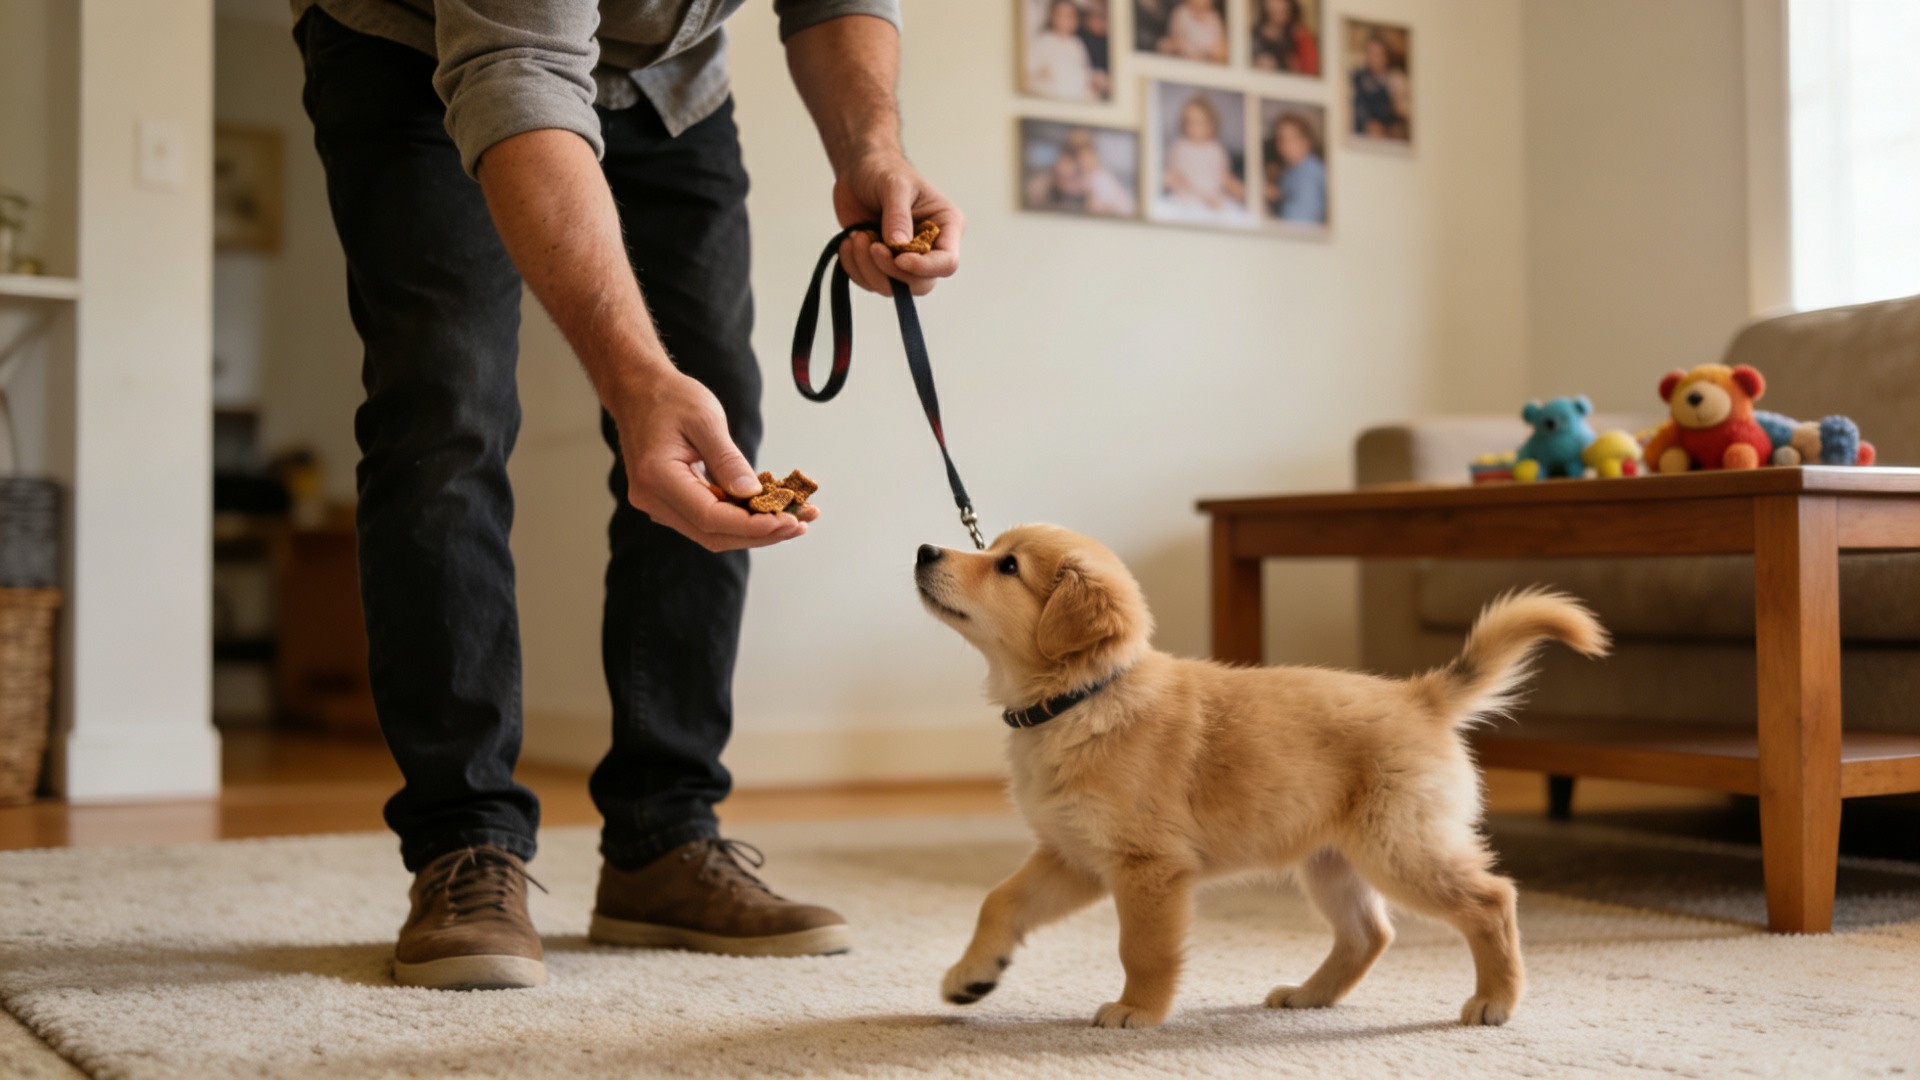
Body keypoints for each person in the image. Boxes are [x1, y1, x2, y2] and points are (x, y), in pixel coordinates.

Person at [290, 0, 963, 991]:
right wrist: (635, 379)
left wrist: (873, 147)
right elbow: (517, 68)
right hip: (414, 47)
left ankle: (663, 836)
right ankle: (464, 842)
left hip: (672, 84)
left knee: (716, 417)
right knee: (446, 410)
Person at [1161, 94, 1245, 221]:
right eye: (1190, 122)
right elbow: (1170, 176)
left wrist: (1242, 192)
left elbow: (1225, 179)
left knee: (1234, 214)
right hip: (1187, 197)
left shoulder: (1216, 149)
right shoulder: (1180, 147)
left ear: (1211, 125)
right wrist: (1191, 193)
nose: (1194, 127)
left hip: (1213, 199)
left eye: (1200, 122)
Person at [1026, 0, 1098, 102]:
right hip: (1050, 100)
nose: (1065, 21)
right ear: (1052, 16)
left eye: (1070, 16)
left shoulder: (1077, 44)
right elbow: (1030, 72)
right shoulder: (1044, 42)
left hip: (1076, 100)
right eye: (1061, 15)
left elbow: (1083, 72)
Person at [1263, 112, 1326, 224]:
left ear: (1306, 141)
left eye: (1292, 139)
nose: (1286, 145)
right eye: (1282, 139)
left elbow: (1272, 193)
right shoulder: (1289, 171)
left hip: (1306, 232)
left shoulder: (1312, 168)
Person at [1351, 31, 1408, 139]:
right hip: (1361, 139)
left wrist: (1386, 131)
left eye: (1378, 54)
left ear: (1386, 56)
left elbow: (1403, 120)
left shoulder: (1396, 80)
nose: (1374, 59)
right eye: (1370, 53)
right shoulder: (1357, 77)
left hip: (1387, 141)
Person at [1250, 0, 1320, 75]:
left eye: (1283, 1)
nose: (1279, 5)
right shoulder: (1254, 35)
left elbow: (1311, 71)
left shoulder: (1299, 36)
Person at [1159, 0, 1228, 64]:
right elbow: (1178, 44)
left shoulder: (1214, 19)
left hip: (1209, 67)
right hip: (1186, 65)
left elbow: (1221, 51)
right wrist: (1205, 51)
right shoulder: (1181, 14)